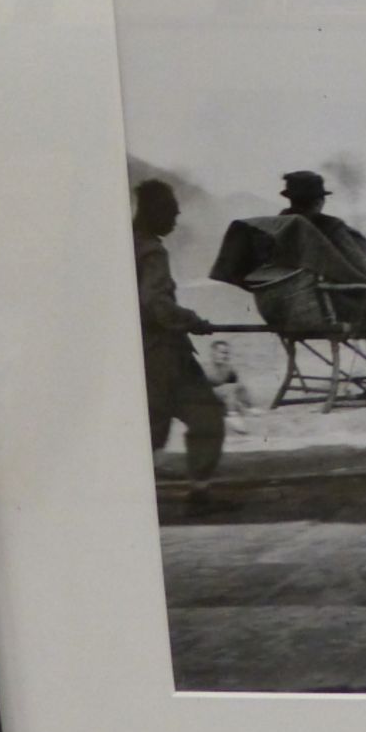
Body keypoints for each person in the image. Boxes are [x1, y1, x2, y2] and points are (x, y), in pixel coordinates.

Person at [132, 178, 229, 514]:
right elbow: (156, 303)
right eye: (171, 212)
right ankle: (199, 494)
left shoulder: (126, 244)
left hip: (139, 354)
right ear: (155, 212)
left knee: (152, 425)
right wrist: (192, 320)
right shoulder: (152, 251)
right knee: (206, 417)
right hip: (164, 354)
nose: (175, 219)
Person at [278, 170, 366, 283]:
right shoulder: (330, 227)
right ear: (319, 201)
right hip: (341, 296)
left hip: (292, 290)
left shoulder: (279, 225)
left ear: (290, 199)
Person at [204, 338, 252, 434]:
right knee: (229, 388)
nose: (225, 356)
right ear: (213, 354)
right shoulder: (206, 369)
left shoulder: (228, 369)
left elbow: (236, 385)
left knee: (239, 386)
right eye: (221, 353)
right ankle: (232, 415)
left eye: (226, 353)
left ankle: (249, 407)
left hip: (222, 398)